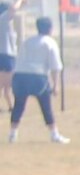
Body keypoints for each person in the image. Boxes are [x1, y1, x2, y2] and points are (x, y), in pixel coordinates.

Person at [8, 15, 66, 143]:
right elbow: (55, 66)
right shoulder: (50, 42)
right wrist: (56, 85)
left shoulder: (28, 41)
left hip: (20, 75)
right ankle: (54, 134)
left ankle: (12, 134)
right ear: (50, 28)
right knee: (46, 106)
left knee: (19, 105)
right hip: (37, 76)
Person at [0, 0, 18, 119]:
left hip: (7, 55)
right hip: (5, 55)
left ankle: (11, 106)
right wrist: (21, 0)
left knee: (6, 85)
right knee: (6, 83)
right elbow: (13, 9)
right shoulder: (4, 20)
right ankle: (11, 106)